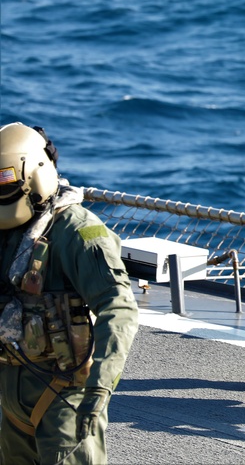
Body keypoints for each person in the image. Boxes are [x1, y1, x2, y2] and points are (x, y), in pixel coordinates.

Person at [1, 122, 139, 465]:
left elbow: (118, 307)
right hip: (9, 397)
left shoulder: (77, 232)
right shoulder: (7, 234)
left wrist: (100, 387)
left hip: (64, 400)